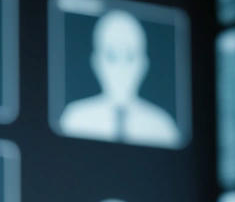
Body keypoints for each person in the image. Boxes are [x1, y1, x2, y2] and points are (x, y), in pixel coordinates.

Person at [58, 10, 181, 148]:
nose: (121, 69)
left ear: (143, 64)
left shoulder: (163, 127)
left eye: (130, 56)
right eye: (112, 56)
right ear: (96, 62)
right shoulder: (74, 118)